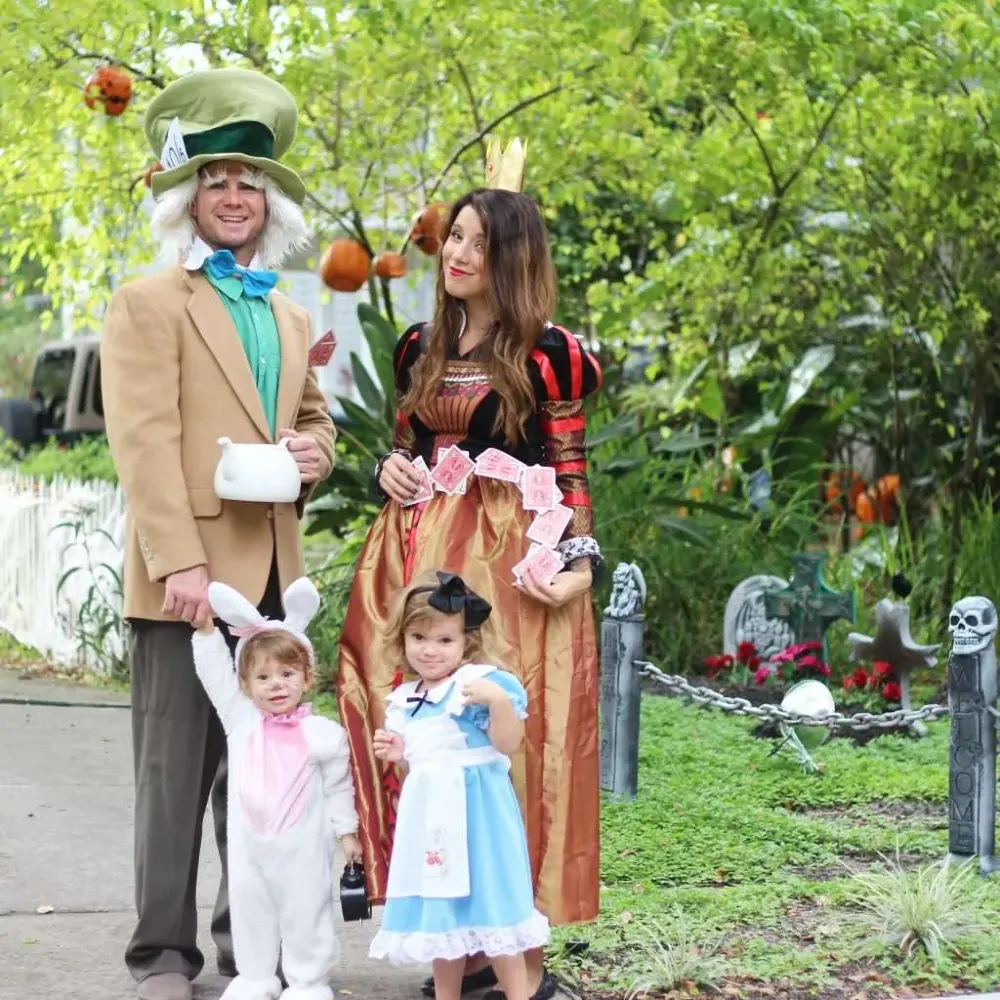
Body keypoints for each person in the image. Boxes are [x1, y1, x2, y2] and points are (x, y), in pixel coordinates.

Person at [337, 139, 602, 1000]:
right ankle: (450, 931)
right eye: (453, 236)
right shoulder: (418, 343)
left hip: (507, 574)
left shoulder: (550, 353)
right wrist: (389, 468)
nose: (455, 253)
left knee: (498, 746)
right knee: (413, 734)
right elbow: (405, 446)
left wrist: (580, 564)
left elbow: (569, 475)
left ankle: (509, 948)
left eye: (477, 243)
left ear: (511, 259)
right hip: (412, 562)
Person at [101, 67, 335, 1000]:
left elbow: (314, 418)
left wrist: (313, 454)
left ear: (268, 200)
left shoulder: (287, 308)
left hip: (275, 582)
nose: (234, 195)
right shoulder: (147, 303)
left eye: (249, 181)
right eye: (216, 179)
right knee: (173, 780)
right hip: (185, 582)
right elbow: (145, 445)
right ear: (189, 198)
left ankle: (255, 947)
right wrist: (182, 568)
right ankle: (161, 955)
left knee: (269, 773)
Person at [368, 571, 549, 1000]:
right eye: (419, 638)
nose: (430, 651)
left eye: (444, 640)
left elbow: (508, 745)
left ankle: (517, 995)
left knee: (493, 912)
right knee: (442, 916)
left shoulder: (480, 685)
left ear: (466, 641)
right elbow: (418, 764)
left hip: (479, 816)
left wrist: (499, 702)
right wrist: (398, 752)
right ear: (403, 639)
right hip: (432, 821)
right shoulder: (406, 699)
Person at [192, 576, 362, 1000]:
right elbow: (215, 675)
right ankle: (255, 977)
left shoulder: (323, 734)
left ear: (307, 678)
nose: (276, 685)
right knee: (251, 910)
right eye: (263, 677)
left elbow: (340, 784)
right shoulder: (242, 722)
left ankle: (307, 981)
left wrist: (347, 832)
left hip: (304, 848)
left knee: (306, 914)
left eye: (287, 673)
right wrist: (206, 634)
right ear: (246, 685)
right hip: (250, 847)